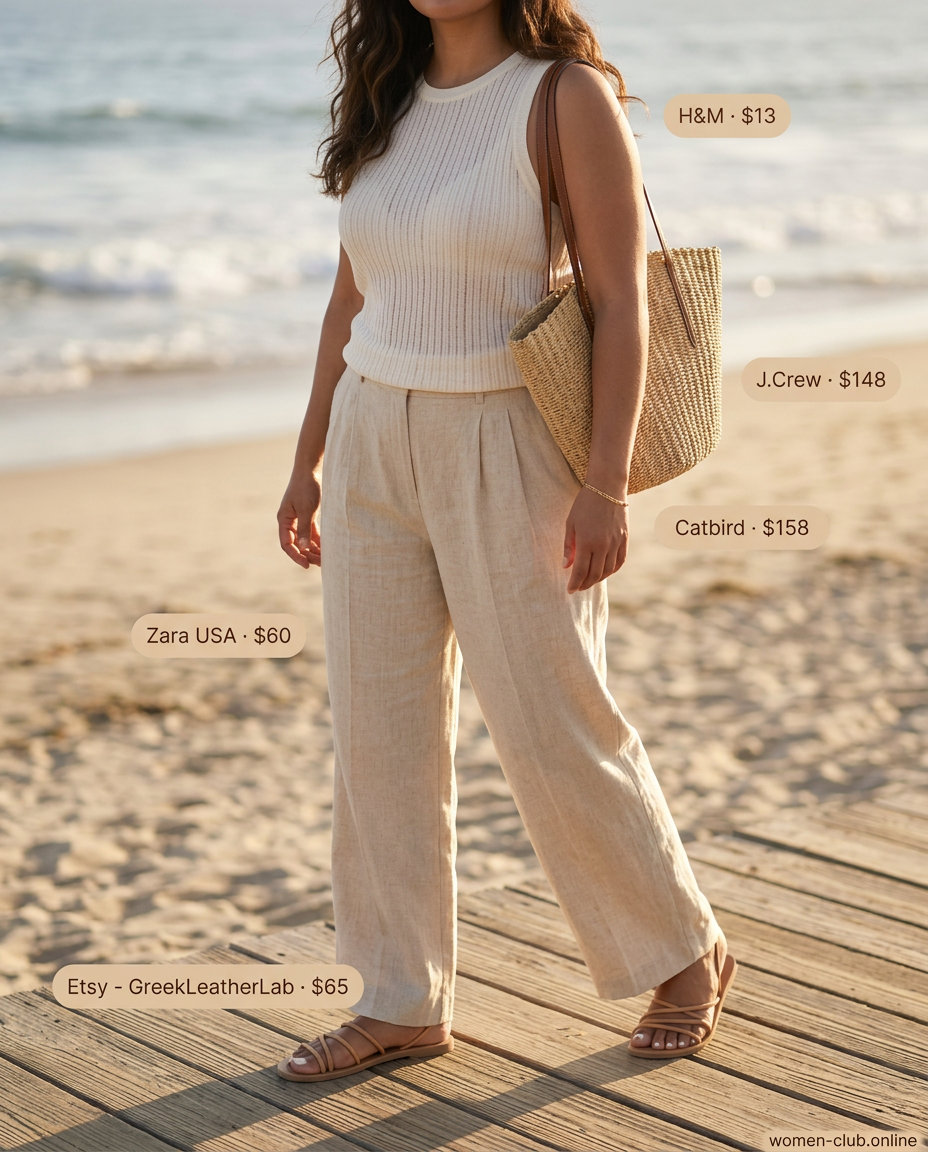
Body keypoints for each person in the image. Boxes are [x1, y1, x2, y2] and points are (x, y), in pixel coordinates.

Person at [275, 0, 736, 1082]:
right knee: (376, 734)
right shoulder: (384, 99)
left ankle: (684, 952)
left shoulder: (560, 96)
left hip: (508, 439)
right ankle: (401, 997)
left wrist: (605, 485)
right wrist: (307, 459)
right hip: (370, 436)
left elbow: (620, 302)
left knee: (549, 711)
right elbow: (352, 300)